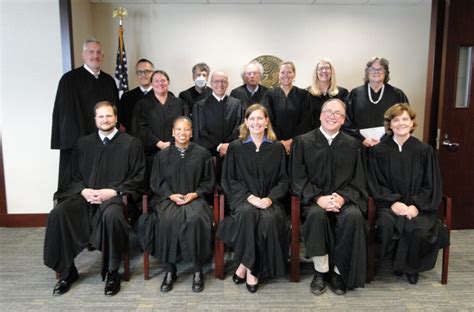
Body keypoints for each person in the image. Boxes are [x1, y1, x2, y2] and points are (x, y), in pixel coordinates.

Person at [44, 101, 145, 296]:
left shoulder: (131, 143)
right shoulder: (84, 143)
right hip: (85, 197)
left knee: (113, 217)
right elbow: (72, 176)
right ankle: (68, 271)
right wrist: (83, 191)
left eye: (109, 116)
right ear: (95, 119)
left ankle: (112, 272)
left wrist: (114, 191)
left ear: (116, 118)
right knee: (58, 214)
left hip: (114, 198)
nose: (105, 120)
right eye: (101, 116)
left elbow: (138, 177)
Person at [290, 99, 367, 295]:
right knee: (316, 215)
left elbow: (359, 179)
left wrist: (342, 198)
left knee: (353, 216)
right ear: (320, 115)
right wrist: (318, 198)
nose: (332, 116)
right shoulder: (303, 141)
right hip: (314, 200)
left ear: (343, 120)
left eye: (338, 114)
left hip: (345, 199)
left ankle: (338, 272)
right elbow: (297, 178)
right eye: (329, 112)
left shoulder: (353, 145)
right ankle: (321, 271)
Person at [368, 103, 446, 285]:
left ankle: (412, 267)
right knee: (386, 224)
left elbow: (431, 183)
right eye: (396, 120)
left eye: (405, 119)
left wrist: (416, 206)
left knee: (418, 229)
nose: (401, 123)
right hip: (388, 205)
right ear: (390, 124)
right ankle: (390, 263)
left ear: (412, 123)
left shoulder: (424, 151)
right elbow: (375, 182)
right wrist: (393, 202)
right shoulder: (379, 151)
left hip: (419, 206)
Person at [217, 104, 290, 293]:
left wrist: (270, 198)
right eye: (252, 119)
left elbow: (283, 180)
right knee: (248, 215)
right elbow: (229, 178)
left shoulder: (276, 148)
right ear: (246, 123)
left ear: (267, 122)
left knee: (268, 219)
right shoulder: (236, 147)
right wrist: (249, 197)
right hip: (243, 200)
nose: (256, 122)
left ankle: (244, 266)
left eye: (260, 118)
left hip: (269, 201)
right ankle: (253, 272)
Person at [138, 116, 215, 293]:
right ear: (173, 132)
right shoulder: (162, 155)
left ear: (192, 132)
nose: (182, 133)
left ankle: (197, 270)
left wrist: (195, 194)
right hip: (168, 199)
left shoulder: (202, 153)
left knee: (195, 219)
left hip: (195, 198)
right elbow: (156, 182)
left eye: (186, 129)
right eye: (178, 129)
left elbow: (208, 181)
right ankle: (170, 269)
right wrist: (171, 195)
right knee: (167, 220)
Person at [51, 37, 119, 194]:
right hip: (79, 144)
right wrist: (80, 143)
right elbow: (65, 117)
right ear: (83, 55)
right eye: (91, 52)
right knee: (80, 189)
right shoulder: (69, 80)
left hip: (106, 143)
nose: (95, 55)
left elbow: (115, 113)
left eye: (98, 52)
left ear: (102, 56)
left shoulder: (109, 81)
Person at [132, 70, 189, 185]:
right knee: (155, 186)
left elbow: (185, 125)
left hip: (177, 152)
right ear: (152, 84)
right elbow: (141, 129)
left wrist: (173, 143)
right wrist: (158, 143)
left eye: (163, 80)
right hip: (151, 154)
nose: (160, 83)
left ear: (168, 82)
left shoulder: (179, 103)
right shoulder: (142, 105)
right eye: (156, 81)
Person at [345, 57, 409, 147]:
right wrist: (362, 139)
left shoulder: (397, 94)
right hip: (359, 146)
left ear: (386, 72)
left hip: (389, 146)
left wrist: (384, 140)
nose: (376, 72)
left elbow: (404, 120)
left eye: (380, 69)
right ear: (367, 72)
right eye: (372, 69)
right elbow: (346, 120)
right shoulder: (355, 94)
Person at [263, 61, 311, 154]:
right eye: (282, 72)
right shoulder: (270, 94)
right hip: (275, 143)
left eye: (289, 72)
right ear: (279, 75)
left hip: (298, 143)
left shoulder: (303, 94)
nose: (286, 75)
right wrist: (280, 141)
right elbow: (268, 119)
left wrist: (292, 141)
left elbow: (306, 121)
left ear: (294, 74)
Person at [307, 59, 348, 129]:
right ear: (316, 72)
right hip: (312, 137)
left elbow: (346, 119)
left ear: (331, 71)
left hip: (336, 136)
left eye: (327, 68)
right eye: (320, 69)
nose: (324, 71)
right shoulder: (306, 93)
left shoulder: (343, 93)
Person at [118, 59, 154, 133]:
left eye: (147, 71)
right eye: (140, 72)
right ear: (136, 74)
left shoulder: (164, 95)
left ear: (153, 73)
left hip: (158, 142)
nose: (143, 75)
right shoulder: (126, 97)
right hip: (133, 140)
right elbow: (122, 121)